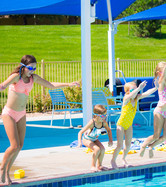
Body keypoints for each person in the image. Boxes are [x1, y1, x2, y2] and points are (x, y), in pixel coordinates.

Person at [0, 55, 79, 185]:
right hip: (9, 113)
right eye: (30, 68)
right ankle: (2, 168)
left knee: (20, 146)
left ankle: (7, 174)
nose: (33, 71)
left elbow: (51, 85)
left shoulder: (33, 78)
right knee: (14, 145)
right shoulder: (16, 77)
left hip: (21, 113)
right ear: (23, 66)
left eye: (34, 68)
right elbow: (3, 86)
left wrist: (68, 84)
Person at [111, 80, 158, 169]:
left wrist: (156, 87)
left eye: (136, 89)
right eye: (133, 90)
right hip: (121, 124)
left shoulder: (136, 98)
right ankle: (113, 160)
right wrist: (139, 89)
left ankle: (123, 159)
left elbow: (147, 93)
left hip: (129, 125)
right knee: (120, 145)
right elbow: (131, 95)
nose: (136, 91)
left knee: (128, 145)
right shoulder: (126, 98)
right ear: (127, 91)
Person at [77, 104, 113, 171]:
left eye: (105, 115)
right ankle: (93, 166)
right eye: (102, 116)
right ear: (96, 115)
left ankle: (99, 166)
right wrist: (79, 143)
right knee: (97, 149)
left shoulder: (104, 123)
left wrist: (110, 140)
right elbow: (80, 132)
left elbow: (109, 130)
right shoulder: (92, 123)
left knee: (102, 149)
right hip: (86, 139)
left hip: (94, 139)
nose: (104, 117)